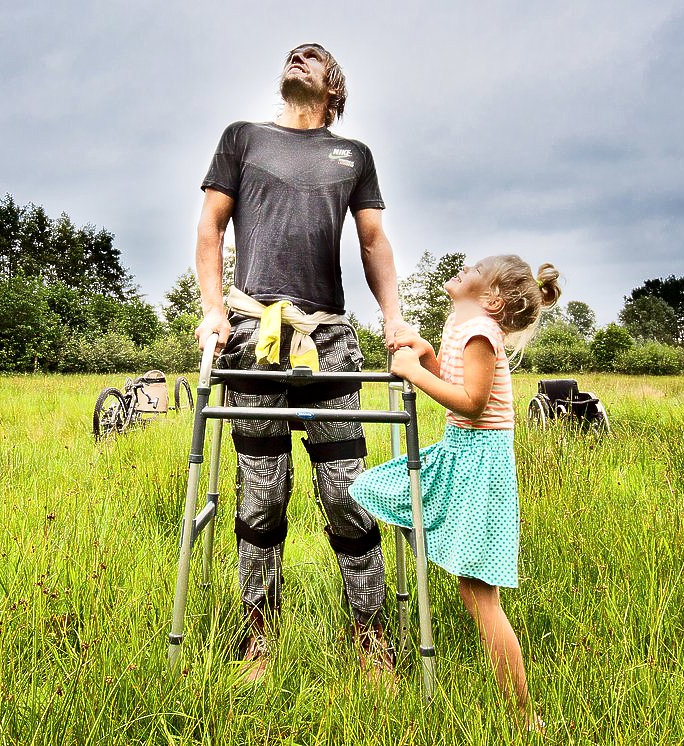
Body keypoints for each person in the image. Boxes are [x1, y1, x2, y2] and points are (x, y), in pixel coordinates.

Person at [193, 43, 411, 681]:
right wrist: (212, 310)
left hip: (329, 335)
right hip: (253, 333)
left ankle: (369, 638)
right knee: (261, 499)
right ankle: (258, 638)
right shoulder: (243, 139)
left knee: (347, 496)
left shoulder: (354, 156)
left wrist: (393, 319)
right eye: (294, 53)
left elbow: (373, 240)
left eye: (315, 57)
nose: (301, 56)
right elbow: (210, 227)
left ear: (333, 89)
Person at [351, 255, 559, 724]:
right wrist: (425, 354)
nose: (465, 266)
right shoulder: (462, 323)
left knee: (480, 595)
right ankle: (440, 545)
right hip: (460, 452)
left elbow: (472, 402)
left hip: (481, 463)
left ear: (492, 298)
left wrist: (414, 372)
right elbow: (456, 382)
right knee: (373, 488)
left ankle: (524, 715)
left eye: (476, 268)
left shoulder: (481, 332)